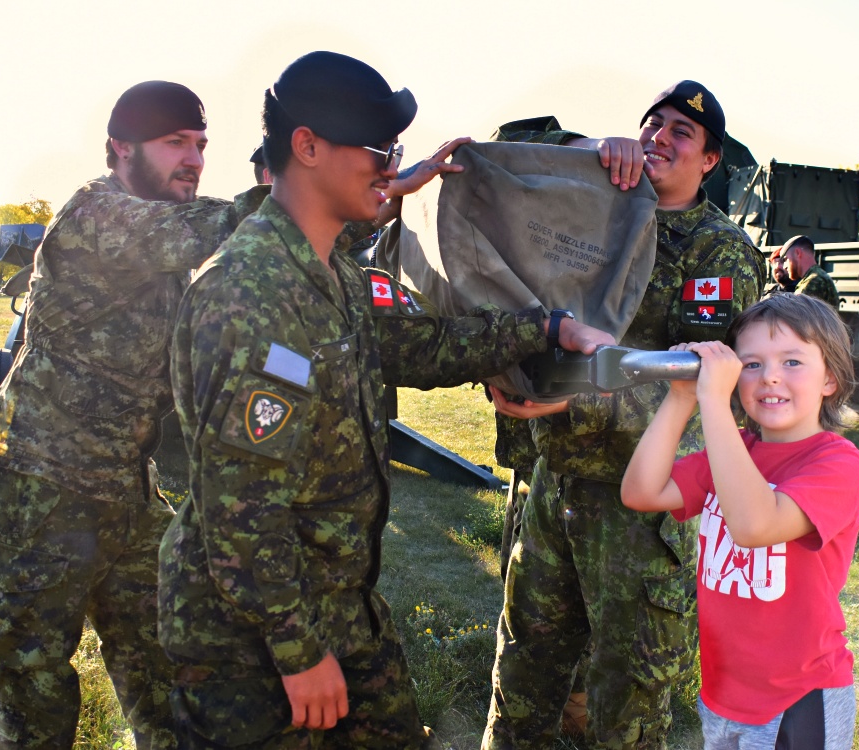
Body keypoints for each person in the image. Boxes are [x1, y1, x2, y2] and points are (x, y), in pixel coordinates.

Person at [156, 50, 615, 749]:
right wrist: (298, 652)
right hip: (251, 641)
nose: (391, 168)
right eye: (378, 149)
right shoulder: (246, 294)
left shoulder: (330, 272)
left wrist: (544, 328)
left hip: (340, 606)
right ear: (306, 147)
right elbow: (237, 506)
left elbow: (420, 348)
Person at [0, 80, 271, 749]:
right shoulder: (96, 217)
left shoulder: (163, 250)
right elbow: (224, 226)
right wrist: (313, 192)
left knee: (169, 671)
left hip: (124, 491)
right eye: (174, 144)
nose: (193, 159)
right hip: (40, 485)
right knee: (35, 692)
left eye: (199, 145)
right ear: (120, 151)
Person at [483, 81, 767, 750]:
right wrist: (586, 149)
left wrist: (571, 393)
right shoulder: (596, 209)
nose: (660, 138)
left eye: (681, 134)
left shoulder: (718, 251)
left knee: (626, 709)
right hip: (557, 482)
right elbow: (507, 146)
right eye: (652, 124)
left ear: (709, 162)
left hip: (639, 504)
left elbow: (697, 376)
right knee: (522, 675)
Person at [621, 293, 859, 749]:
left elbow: (754, 526)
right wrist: (681, 399)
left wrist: (713, 401)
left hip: (797, 697)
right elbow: (641, 491)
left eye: (792, 361)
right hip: (723, 694)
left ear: (830, 378)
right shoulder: (734, 451)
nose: (770, 375)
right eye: (750, 364)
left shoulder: (837, 463)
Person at [782, 234, 840, 308]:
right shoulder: (817, 277)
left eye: (786, 259)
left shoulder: (813, 282)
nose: (784, 266)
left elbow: (797, 316)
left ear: (798, 253)